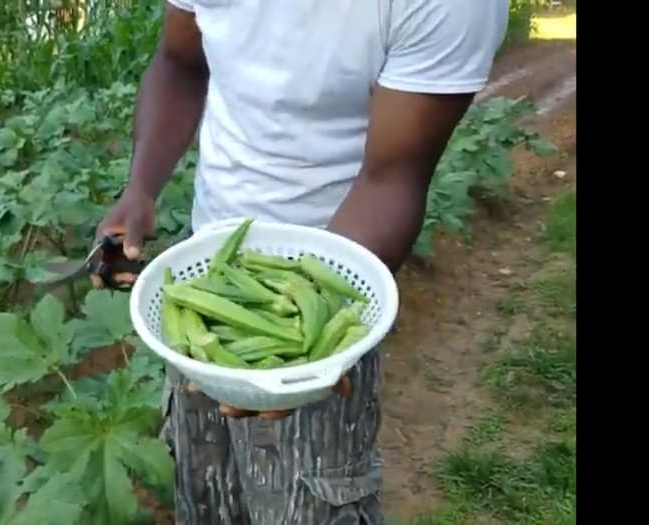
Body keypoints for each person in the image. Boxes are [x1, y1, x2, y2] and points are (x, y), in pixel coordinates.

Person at [93, 0, 509, 523]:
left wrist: (307, 357)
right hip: (210, 286)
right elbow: (180, 60)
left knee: (307, 507)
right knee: (206, 498)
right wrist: (140, 188)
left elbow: (393, 178)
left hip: (329, 285)